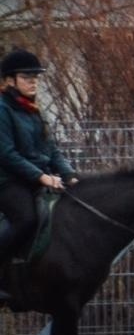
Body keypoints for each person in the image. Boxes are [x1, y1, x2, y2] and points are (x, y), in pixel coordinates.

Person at [0, 49, 78, 304]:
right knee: (26, 219)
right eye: (27, 77)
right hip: (8, 181)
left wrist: (70, 175)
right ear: (9, 80)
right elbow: (7, 154)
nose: (33, 81)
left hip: (35, 177)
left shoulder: (33, 109)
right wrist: (41, 178)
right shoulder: (2, 109)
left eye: (36, 77)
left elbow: (51, 149)